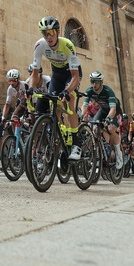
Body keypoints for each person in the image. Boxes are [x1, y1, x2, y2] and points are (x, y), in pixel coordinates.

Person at [29, 16, 83, 159]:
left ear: (58, 31)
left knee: (69, 99)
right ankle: (60, 138)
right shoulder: (39, 46)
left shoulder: (67, 45)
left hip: (71, 75)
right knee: (54, 106)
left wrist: (66, 91)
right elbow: (35, 74)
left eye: (51, 32)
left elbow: (75, 78)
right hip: (57, 75)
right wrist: (30, 89)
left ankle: (76, 144)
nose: (48, 37)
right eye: (45, 33)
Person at [83, 71, 123, 169]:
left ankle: (118, 153)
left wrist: (109, 118)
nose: (94, 84)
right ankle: (98, 153)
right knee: (94, 128)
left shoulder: (108, 91)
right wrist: (82, 115)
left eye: (96, 82)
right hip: (103, 110)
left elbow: (113, 109)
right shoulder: (89, 90)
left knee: (110, 129)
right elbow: (85, 105)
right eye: (92, 81)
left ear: (101, 82)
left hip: (114, 111)